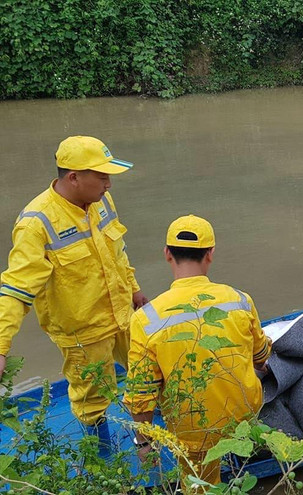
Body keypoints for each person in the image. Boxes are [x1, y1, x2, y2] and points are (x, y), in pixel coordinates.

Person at [0, 135, 147, 452]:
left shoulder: (100, 201)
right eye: (102, 176)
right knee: (92, 397)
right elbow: (16, 288)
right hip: (83, 332)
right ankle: (103, 455)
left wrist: (135, 291)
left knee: (147, 371)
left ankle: (146, 433)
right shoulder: (36, 223)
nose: (109, 184)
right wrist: (1, 347)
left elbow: (117, 253)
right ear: (74, 177)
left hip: (122, 313)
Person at [125, 215, 271, 486]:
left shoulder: (147, 319)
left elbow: (140, 395)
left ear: (167, 254)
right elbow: (261, 357)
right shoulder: (239, 300)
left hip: (194, 429)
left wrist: (143, 443)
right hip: (244, 416)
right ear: (211, 254)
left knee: (199, 485)